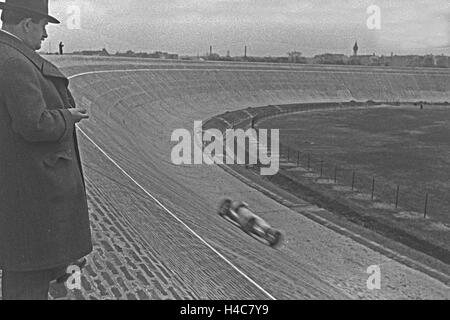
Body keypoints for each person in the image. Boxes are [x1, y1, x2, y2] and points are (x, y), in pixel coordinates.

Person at [0, 0, 92, 300]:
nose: (44, 36)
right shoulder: (14, 61)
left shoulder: (11, 56)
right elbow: (33, 124)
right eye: (42, 28)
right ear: (27, 24)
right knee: (27, 282)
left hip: (24, 192)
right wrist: (69, 116)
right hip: (32, 198)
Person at [218, 199, 283, 247]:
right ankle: (272, 235)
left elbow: (235, 215)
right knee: (263, 226)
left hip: (245, 219)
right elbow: (244, 205)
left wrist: (227, 211)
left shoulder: (238, 209)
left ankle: (271, 238)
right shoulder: (244, 208)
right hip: (253, 217)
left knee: (255, 228)